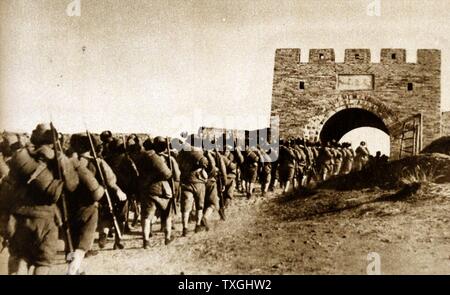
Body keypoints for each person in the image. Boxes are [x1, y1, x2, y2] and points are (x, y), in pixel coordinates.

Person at [1, 123, 79, 275]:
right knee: (42, 262)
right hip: (47, 218)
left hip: (20, 216)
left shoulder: (21, 156)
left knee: (20, 257)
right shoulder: (58, 159)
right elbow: (72, 185)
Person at [66, 133, 126, 275]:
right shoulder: (97, 162)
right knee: (84, 242)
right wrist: (118, 190)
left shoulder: (67, 161)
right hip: (88, 204)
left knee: (72, 239)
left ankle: (78, 269)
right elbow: (111, 180)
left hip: (69, 205)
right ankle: (72, 270)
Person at [130, 136, 175, 248]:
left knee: (146, 215)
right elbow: (167, 174)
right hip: (160, 188)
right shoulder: (153, 157)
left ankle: (146, 241)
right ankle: (167, 237)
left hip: (145, 188)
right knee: (167, 214)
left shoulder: (138, 157)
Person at [177, 135, 208, 237]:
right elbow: (205, 163)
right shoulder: (197, 152)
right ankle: (197, 225)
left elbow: (177, 163)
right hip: (198, 181)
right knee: (200, 205)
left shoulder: (182, 152)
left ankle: (185, 228)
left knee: (185, 207)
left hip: (185, 181)